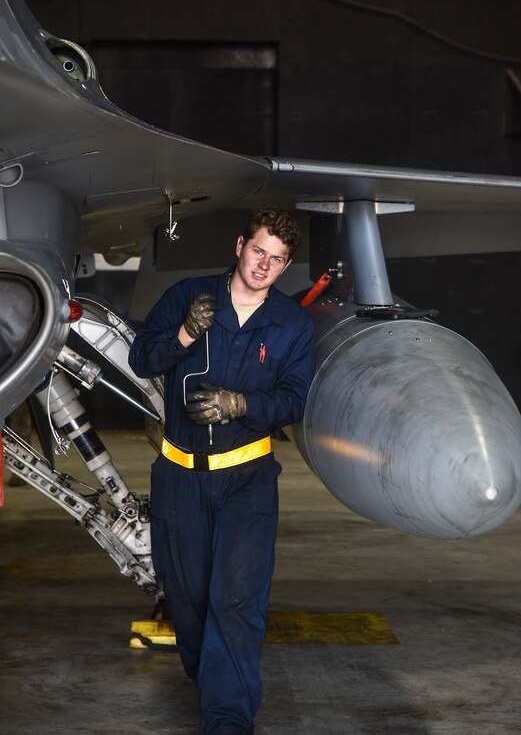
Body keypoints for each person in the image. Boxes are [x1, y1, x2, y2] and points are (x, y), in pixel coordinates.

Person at [128, 206, 315, 735]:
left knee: (235, 600)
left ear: (284, 267)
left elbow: (293, 399)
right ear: (239, 246)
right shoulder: (188, 296)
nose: (264, 266)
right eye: (259, 251)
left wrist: (241, 406)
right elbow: (143, 358)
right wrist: (184, 335)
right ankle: (213, 685)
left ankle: (227, 721)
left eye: (277, 260)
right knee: (188, 606)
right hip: (179, 478)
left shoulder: (292, 325)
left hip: (247, 481)